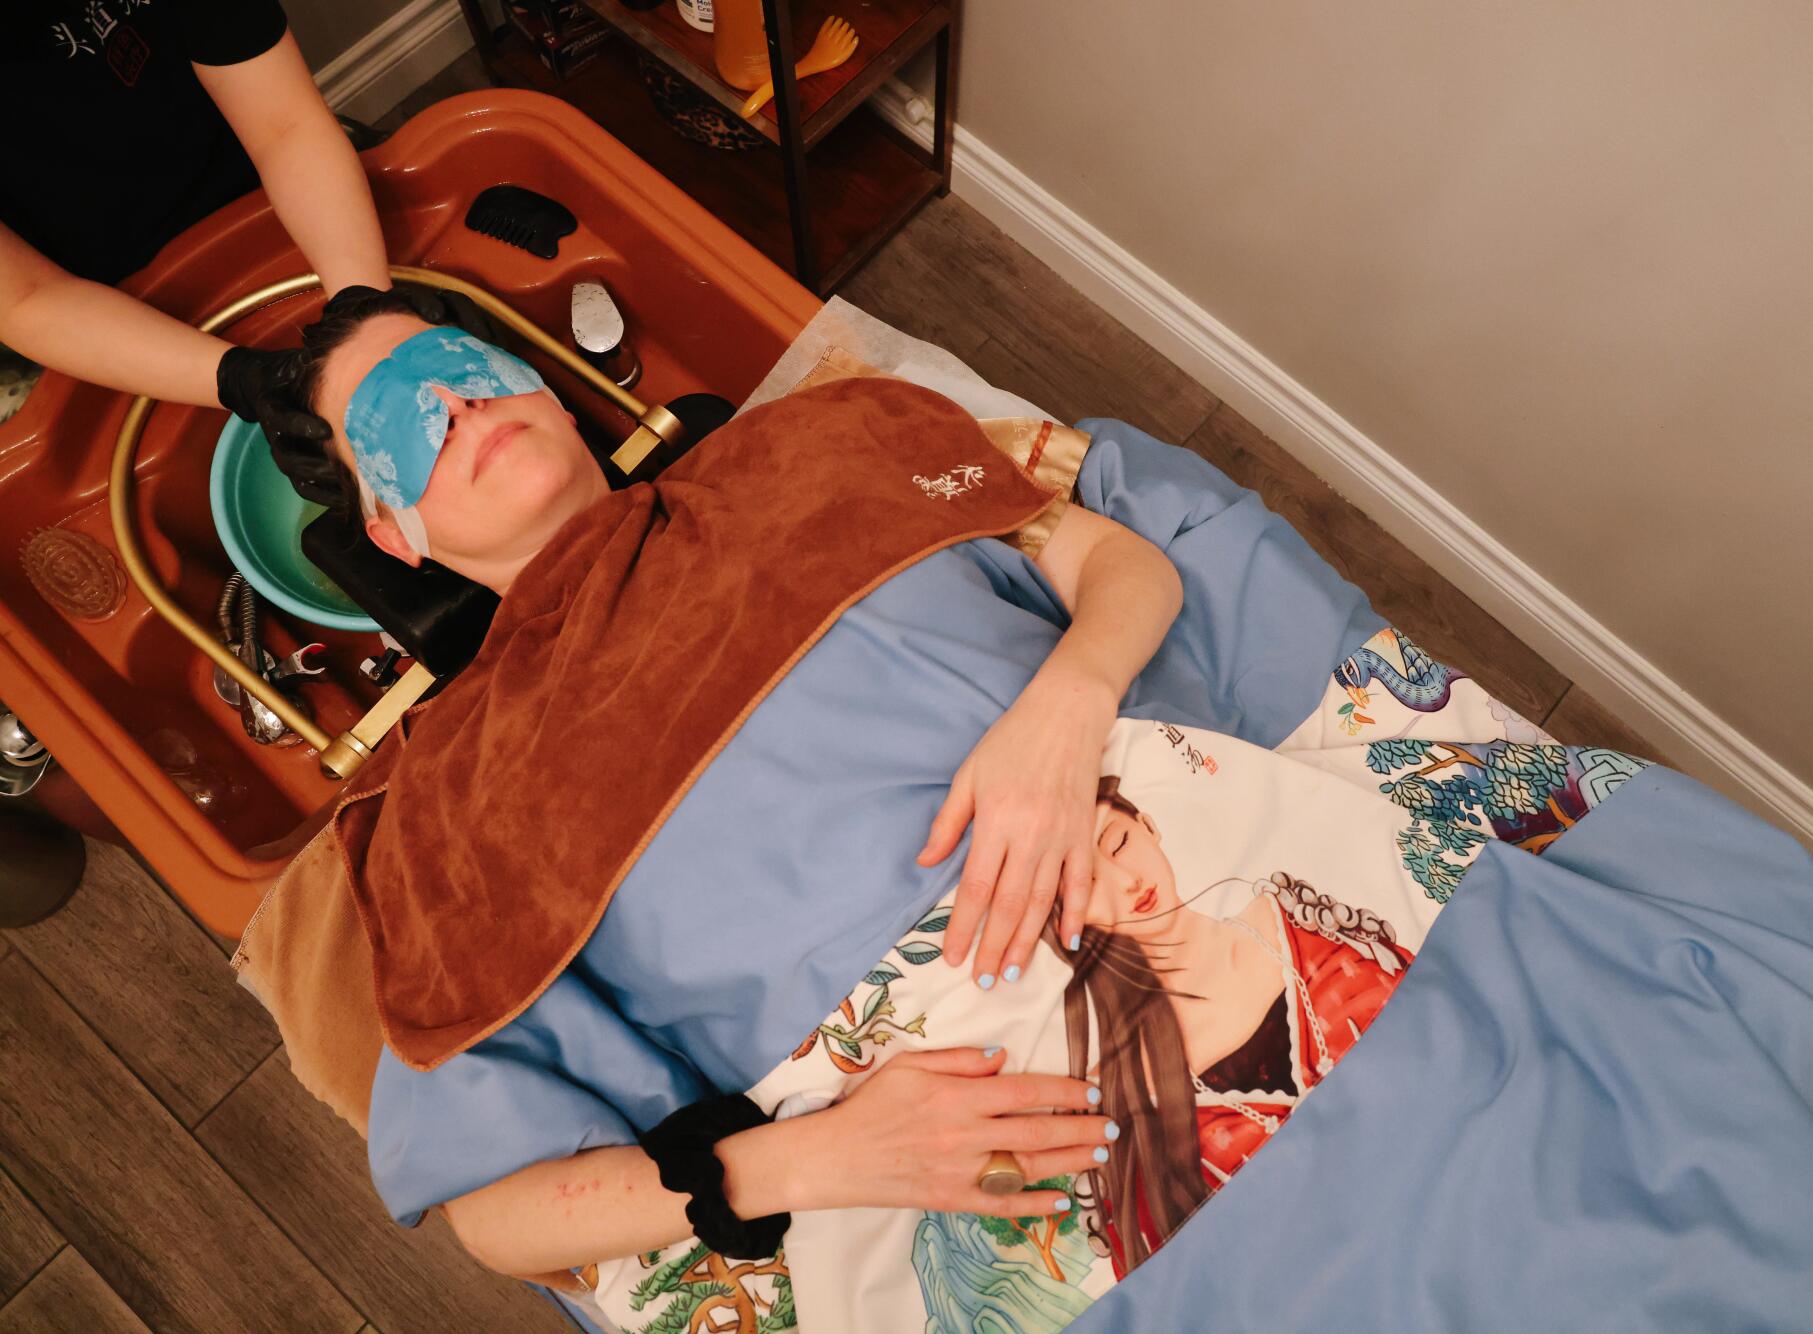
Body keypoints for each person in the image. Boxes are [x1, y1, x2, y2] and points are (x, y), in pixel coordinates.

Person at [293, 293, 1190, 1267]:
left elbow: (1120, 566)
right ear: (392, 536)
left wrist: (1063, 707)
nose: (452, 406)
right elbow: (498, 1216)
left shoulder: (815, 441)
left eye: (458, 367)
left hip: (1174, 869)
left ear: (545, 388)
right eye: (396, 420)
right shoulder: (444, 808)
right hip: (982, 1132)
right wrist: (810, 1159)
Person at [1043, 775, 1413, 1275]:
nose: (1125, 881)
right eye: (1086, 885)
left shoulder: (1305, 918)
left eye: (1119, 843)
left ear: (1148, 827)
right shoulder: (1114, 1103)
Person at [0, 0, 394, 448]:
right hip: (93, 303)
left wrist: (366, 312)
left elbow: (285, 125)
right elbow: (25, 299)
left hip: (265, 197)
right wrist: (248, 381)